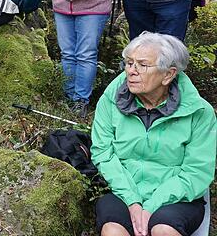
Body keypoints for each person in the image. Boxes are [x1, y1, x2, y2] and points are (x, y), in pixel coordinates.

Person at [91, 32, 215, 236]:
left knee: (164, 230)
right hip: (125, 192)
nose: (131, 71)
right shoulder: (111, 100)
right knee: (113, 229)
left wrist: (152, 206)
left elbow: (197, 171)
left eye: (142, 65)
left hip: (178, 197)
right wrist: (133, 201)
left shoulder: (199, 112)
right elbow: (103, 153)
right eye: (129, 63)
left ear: (168, 74)